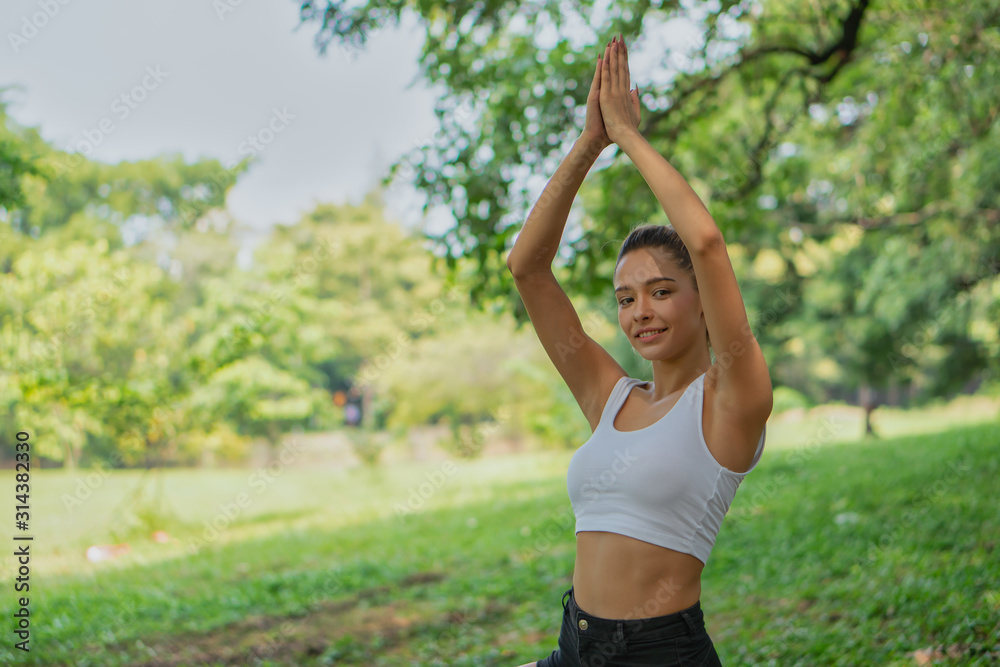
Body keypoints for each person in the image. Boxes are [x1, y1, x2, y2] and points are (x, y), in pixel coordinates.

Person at [506, 33, 773, 666]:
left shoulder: (730, 402)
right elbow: (528, 268)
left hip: (658, 654)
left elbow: (705, 243)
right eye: (626, 299)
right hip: (577, 645)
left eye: (659, 291)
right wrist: (589, 144)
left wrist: (628, 136)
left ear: (702, 299)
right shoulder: (611, 397)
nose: (640, 312)